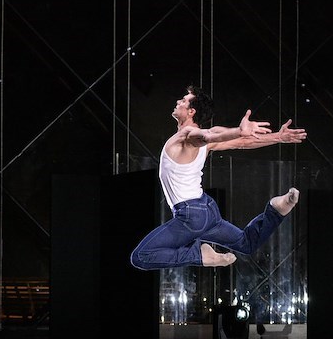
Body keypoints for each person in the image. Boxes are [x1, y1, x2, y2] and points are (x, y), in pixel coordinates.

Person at [130, 85, 307, 270]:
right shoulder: (207, 139)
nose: (177, 102)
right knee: (246, 244)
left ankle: (199, 255)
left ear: (191, 111)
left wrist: (239, 131)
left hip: (191, 216)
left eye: (183, 100)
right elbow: (243, 142)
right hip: (207, 211)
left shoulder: (187, 135)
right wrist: (278, 137)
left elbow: (205, 135)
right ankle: (276, 210)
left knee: (142, 256)